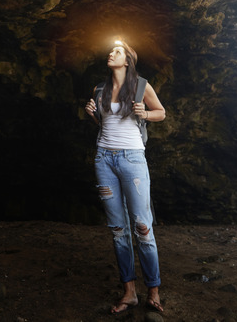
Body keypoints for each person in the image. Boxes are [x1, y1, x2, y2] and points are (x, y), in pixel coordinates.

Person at [84, 40, 166, 315]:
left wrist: (146, 113)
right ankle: (129, 292)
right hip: (104, 159)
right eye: (111, 50)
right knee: (118, 230)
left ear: (128, 60)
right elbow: (105, 122)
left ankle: (153, 290)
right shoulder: (99, 89)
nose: (111, 53)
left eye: (117, 51)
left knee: (142, 227)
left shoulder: (142, 86)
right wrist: (92, 114)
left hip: (132, 159)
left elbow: (161, 113)